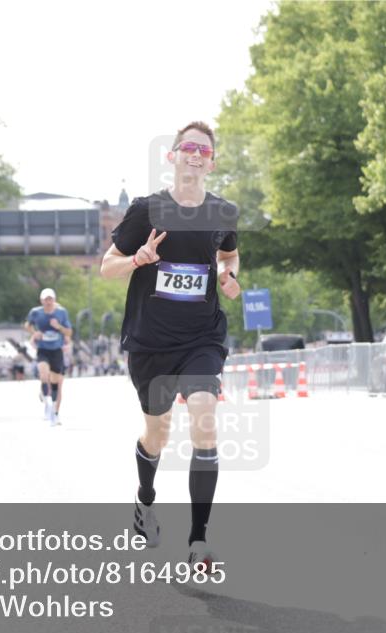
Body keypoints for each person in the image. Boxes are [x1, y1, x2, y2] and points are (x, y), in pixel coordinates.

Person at [100, 121, 240, 571]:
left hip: (201, 336)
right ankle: (145, 502)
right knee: (158, 433)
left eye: (204, 150)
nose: (196, 154)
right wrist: (137, 259)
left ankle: (198, 541)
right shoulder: (147, 209)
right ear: (173, 155)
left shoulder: (223, 212)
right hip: (151, 341)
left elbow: (229, 253)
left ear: (211, 162)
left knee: (205, 419)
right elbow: (107, 266)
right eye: (188, 147)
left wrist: (227, 275)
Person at [25, 288, 72, 426]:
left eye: (50, 299)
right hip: (43, 350)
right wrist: (35, 333)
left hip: (57, 350)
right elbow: (27, 325)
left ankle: (54, 412)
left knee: (56, 382)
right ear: (41, 301)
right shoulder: (36, 312)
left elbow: (69, 332)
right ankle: (48, 404)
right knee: (44, 375)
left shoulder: (61, 313)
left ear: (54, 300)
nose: (48, 302)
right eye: (46, 299)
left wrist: (59, 327)